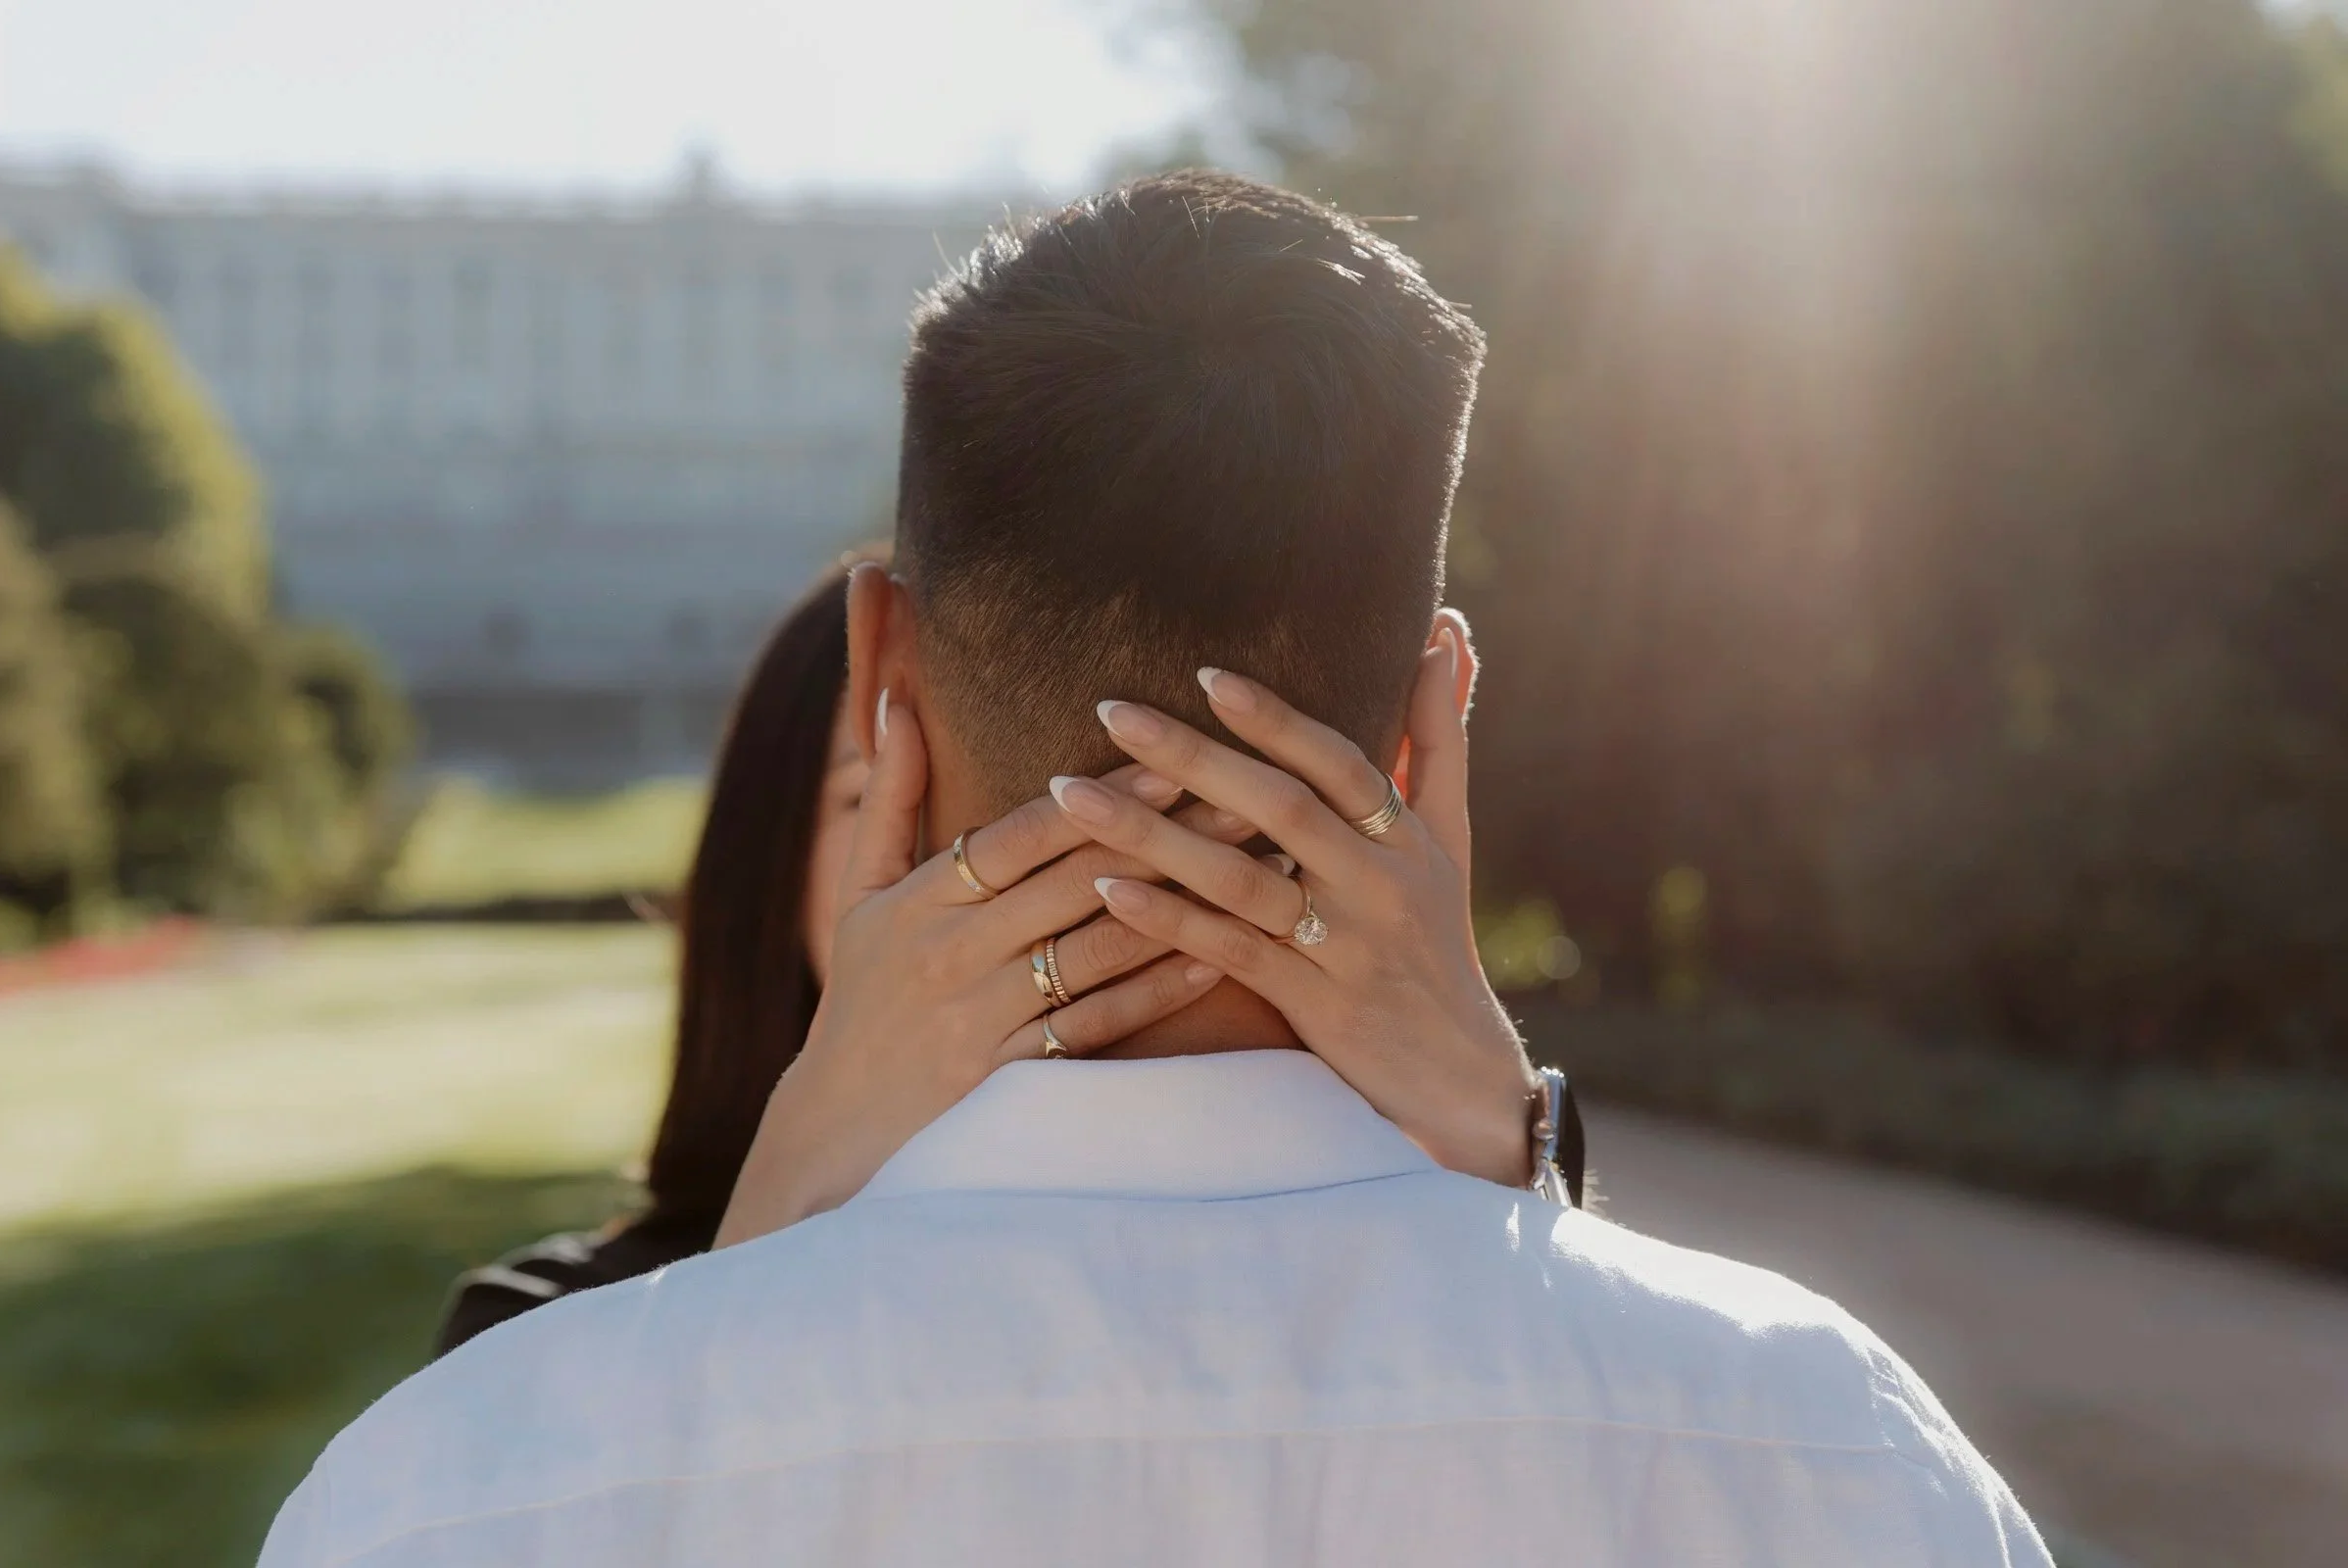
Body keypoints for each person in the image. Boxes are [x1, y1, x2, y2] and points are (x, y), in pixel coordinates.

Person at [258, 172, 2049, 1566]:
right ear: (1425, 725)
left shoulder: (449, 1493)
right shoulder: (1838, 1452)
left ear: (884, 678)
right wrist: (1521, 1192)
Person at [436, 556, 1259, 1354]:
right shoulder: (532, 1338)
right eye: (873, 797)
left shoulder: (1229, 1250)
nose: (958, 854)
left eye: (1006, 798)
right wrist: (789, 1188)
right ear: (768, 860)